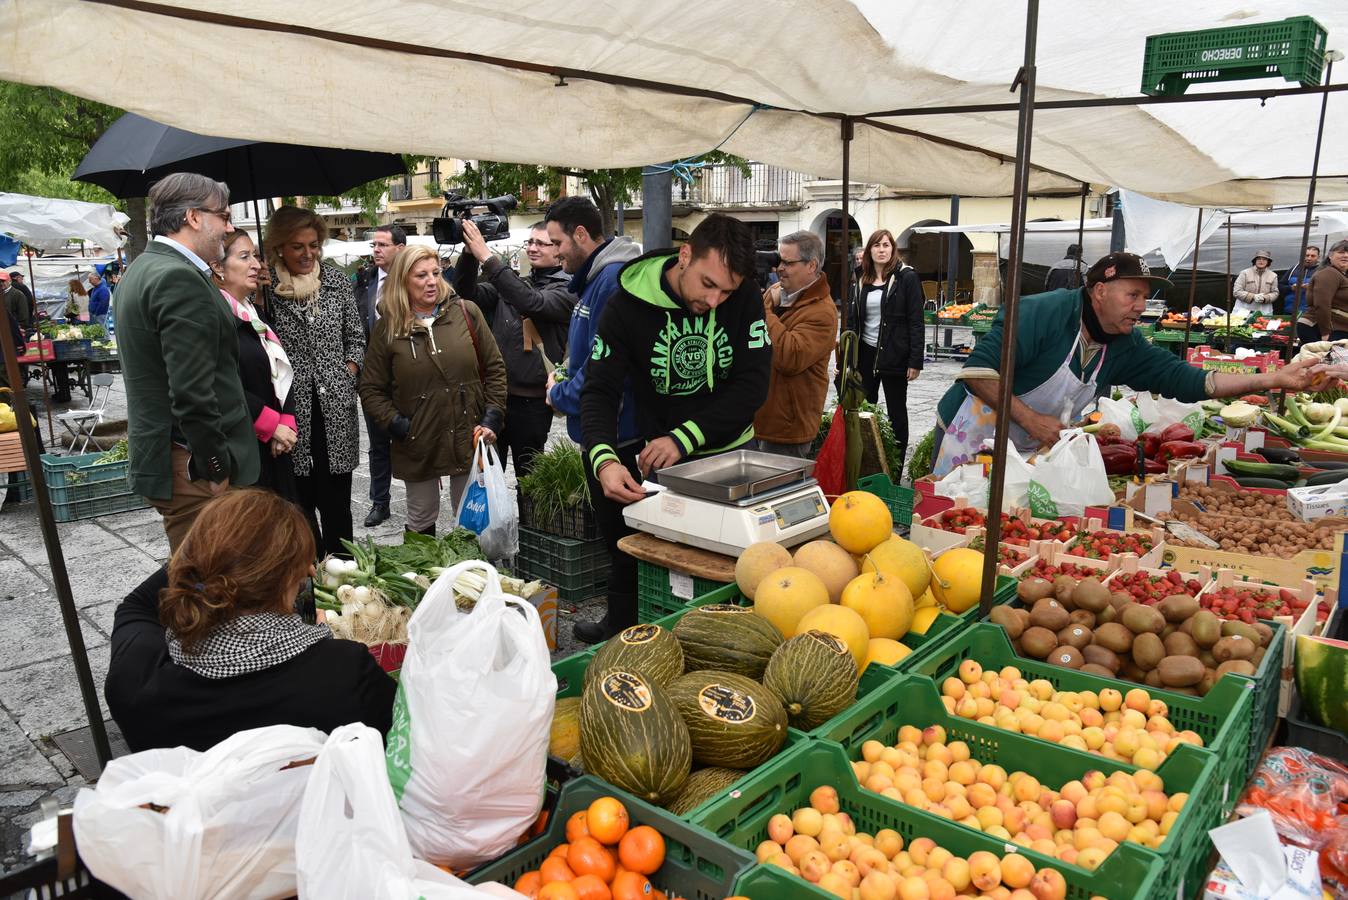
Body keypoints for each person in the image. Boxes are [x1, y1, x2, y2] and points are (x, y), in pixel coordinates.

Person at [932, 252, 1315, 475]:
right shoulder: (1041, 313)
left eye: (1144, 297)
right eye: (1133, 294)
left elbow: (1190, 381)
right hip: (969, 434)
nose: (1140, 307)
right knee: (950, 521)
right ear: (1099, 291)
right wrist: (1031, 419)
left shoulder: (1125, 344)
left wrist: (1273, 377)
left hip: (1029, 449)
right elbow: (978, 372)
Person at [580, 213, 771, 639]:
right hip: (663, 462)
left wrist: (685, 437)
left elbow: (753, 386)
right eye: (708, 284)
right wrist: (604, 460)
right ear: (685, 256)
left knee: (723, 563)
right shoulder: (626, 304)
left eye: (728, 291)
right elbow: (599, 391)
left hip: (728, 454)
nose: (717, 300)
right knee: (652, 554)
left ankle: (716, 642)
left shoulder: (744, 298)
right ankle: (626, 628)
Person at [105, 489, 396, 753]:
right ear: (291, 581)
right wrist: (319, 644)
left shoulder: (136, 684)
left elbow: (135, 606)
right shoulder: (346, 673)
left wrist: (206, 549)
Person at [116, 173, 258, 551]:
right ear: (193, 217)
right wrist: (215, 467)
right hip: (191, 465)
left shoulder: (143, 268)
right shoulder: (178, 277)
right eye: (223, 216)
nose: (228, 228)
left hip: (171, 457)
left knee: (199, 579)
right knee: (206, 590)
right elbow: (192, 391)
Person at [542, 197, 642, 643]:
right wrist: (564, 373)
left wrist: (559, 393)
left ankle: (623, 626)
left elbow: (603, 369)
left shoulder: (611, 281)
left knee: (623, 539)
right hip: (603, 432)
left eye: (559, 241)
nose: (556, 250)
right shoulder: (594, 280)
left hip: (618, 437)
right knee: (616, 537)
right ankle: (621, 619)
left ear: (582, 235)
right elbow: (582, 354)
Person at [358, 245, 507, 535]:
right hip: (418, 440)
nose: (431, 281)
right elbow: (371, 389)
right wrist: (399, 426)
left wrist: (491, 418)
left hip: (469, 435)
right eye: (421, 275)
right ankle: (427, 579)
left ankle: (474, 575)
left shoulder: (466, 313)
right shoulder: (388, 328)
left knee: (473, 522)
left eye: (436, 273)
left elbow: (495, 368)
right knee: (421, 520)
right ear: (403, 281)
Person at [264, 205, 365, 557]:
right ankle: (309, 582)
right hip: (292, 415)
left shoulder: (336, 282)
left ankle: (345, 579)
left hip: (336, 411)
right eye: (297, 246)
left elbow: (356, 336)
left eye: (313, 245)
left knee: (338, 506)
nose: (308, 253)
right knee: (299, 507)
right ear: (279, 248)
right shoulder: (266, 293)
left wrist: (347, 373)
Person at [454, 219, 577, 481]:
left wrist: (487, 256)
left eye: (541, 243)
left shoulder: (566, 288)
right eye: (530, 242)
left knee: (529, 478)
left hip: (532, 404)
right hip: (496, 398)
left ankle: (528, 524)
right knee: (486, 474)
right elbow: (466, 293)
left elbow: (531, 302)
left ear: (558, 249)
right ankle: (494, 524)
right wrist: (469, 253)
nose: (532, 248)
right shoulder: (515, 282)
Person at [209, 231, 299, 500]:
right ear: (218, 267)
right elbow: (222, 383)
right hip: (246, 447)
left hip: (277, 446)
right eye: (244, 256)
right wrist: (271, 426)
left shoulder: (255, 313)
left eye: (256, 256)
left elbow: (280, 368)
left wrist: (287, 420)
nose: (257, 265)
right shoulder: (215, 317)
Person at [752, 230, 837, 457]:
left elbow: (790, 357)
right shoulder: (776, 293)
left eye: (788, 263)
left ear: (811, 266)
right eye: (779, 261)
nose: (779, 268)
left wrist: (761, 308)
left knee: (776, 492)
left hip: (788, 429)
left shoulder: (823, 312)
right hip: (760, 419)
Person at [846, 229, 925, 461]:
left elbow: (916, 321)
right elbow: (852, 321)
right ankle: (867, 460)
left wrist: (915, 360)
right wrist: (847, 358)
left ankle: (896, 466)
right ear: (869, 250)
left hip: (895, 354)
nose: (881, 250)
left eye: (886, 245)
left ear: (893, 249)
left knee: (896, 414)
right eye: (877, 246)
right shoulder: (861, 278)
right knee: (863, 411)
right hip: (865, 354)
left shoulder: (906, 277)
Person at [355, 224, 406, 528]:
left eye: (382, 245)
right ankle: (380, 502)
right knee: (377, 445)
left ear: (399, 248)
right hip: (373, 378)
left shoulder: (413, 281)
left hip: (406, 376)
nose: (376, 250)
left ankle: (419, 500)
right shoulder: (364, 280)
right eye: (374, 245)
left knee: (410, 437)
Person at [1296, 240, 1348, 344]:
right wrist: (1325, 332)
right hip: (1320, 328)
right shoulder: (1329, 273)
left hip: (1336, 328)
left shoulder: (1340, 275)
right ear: (1330, 256)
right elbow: (1322, 304)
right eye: (1341, 252)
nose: (1346, 255)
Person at [1233, 250, 1280, 316]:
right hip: (1243, 308)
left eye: (1264, 259)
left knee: (1263, 326)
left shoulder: (1273, 275)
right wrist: (1253, 296)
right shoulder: (1244, 273)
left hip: (1264, 309)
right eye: (1259, 259)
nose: (1261, 261)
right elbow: (1236, 291)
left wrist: (1265, 298)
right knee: (1241, 325)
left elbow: (1275, 293)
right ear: (1255, 261)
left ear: (1268, 262)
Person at [1281, 245, 1321, 316]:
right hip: (1289, 310)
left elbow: (1327, 291)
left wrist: (1311, 288)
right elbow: (1280, 286)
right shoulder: (1294, 269)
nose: (1309, 258)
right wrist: (1291, 288)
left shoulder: (1321, 271)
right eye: (1307, 255)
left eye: (1313, 256)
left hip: (1309, 313)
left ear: (1318, 257)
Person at [0, 271, 29, 338]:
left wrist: (19, 327)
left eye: (3, 281)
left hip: (15, 330)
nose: (1, 283)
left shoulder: (17, 294)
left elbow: (23, 315)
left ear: (9, 281)